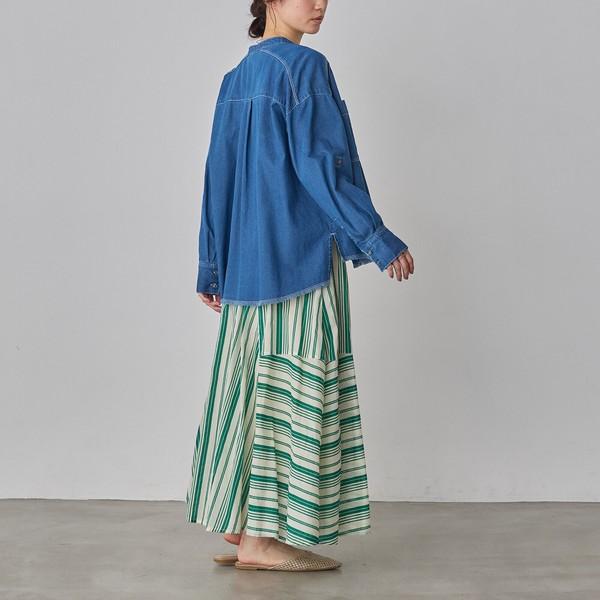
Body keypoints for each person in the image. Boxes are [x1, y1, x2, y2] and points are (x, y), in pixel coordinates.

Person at [185, 0, 415, 572]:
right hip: (300, 259)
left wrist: (211, 266)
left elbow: (216, 177)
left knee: (249, 388)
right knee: (298, 387)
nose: (320, 5)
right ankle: (265, 542)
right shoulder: (305, 67)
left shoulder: (236, 78)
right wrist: (376, 237)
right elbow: (320, 167)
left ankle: (241, 523)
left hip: (246, 267)